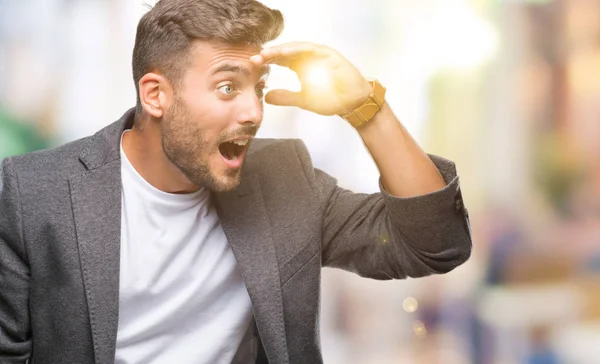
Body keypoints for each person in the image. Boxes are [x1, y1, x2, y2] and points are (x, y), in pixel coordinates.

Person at [0, 0, 472, 363]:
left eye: (258, 87)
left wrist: (365, 109)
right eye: (228, 87)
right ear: (156, 94)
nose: (254, 112)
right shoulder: (33, 194)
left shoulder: (286, 181)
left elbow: (434, 243)